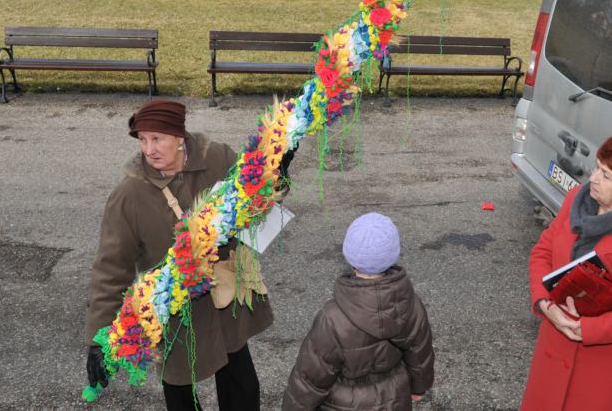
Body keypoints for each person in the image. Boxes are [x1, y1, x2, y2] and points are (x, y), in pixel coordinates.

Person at [84, 100, 274, 411]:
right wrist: (99, 337)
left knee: (241, 386)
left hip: (223, 297)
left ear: (179, 137)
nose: (149, 149)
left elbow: (258, 201)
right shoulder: (129, 196)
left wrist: (275, 175)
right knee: (180, 392)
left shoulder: (218, 159)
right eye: (142, 140)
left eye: (157, 138)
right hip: (173, 312)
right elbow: (110, 269)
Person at [519, 135, 612, 411]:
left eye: (606, 175)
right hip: (552, 349)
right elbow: (543, 251)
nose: (594, 178)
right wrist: (543, 302)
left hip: (598, 366)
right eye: (597, 167)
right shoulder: (576, 199)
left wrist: (586, 329)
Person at [282, 212, 434, 411]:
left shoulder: (332, 318)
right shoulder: (411, 303)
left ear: (349, 256)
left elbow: (310, 378)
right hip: (394, 399)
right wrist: (419, 386)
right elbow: (420, 351)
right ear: (393, 254)